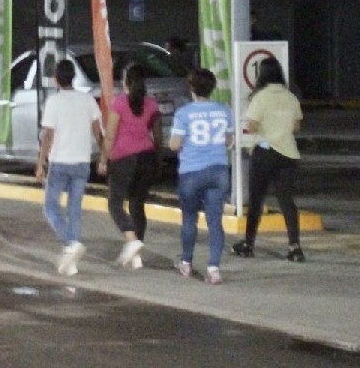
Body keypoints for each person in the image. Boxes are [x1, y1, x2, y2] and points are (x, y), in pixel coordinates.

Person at [232, 56, 305, 262]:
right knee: (287, 201)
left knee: (256, 200)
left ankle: (248, 244)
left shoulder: (260, 97)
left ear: (262, 75)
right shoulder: (291, 97)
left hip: (264, 153)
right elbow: (296, 127)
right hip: (288, 154)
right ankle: (294, 246)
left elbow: (251, 125)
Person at [34, 59, 102, 276]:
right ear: (73, 77)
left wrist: (40, 163)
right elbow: (97, 131)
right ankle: (71, 260)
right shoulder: (87, 100)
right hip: (82, 162)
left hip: (60, 162)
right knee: (74, 210)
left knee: (50, 207)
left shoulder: (53, 102)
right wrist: (104, 157)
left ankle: (71, 243)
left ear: (56, 79)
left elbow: (48, 136)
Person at [170, 68, 234, 284]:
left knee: (189, 219)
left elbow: (174, 144)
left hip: (191, 172)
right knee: (215, 222)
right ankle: (214, 268)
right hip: (218, 170)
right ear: (212, 88)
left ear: (191, 88)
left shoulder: (184, 114)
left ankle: (186, 262)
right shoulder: (224, 111)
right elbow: (229, 141)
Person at [100, 62, 162, 269]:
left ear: (125, 82)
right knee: (137, 205)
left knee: (115, 204)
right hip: (147, 158)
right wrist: (158, 159)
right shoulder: (152, 105)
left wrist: (103, 159)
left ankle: (132, 241)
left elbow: (110, 135)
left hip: (124, 159)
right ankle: (137, 254)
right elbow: (158, 136)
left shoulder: (119, 103)